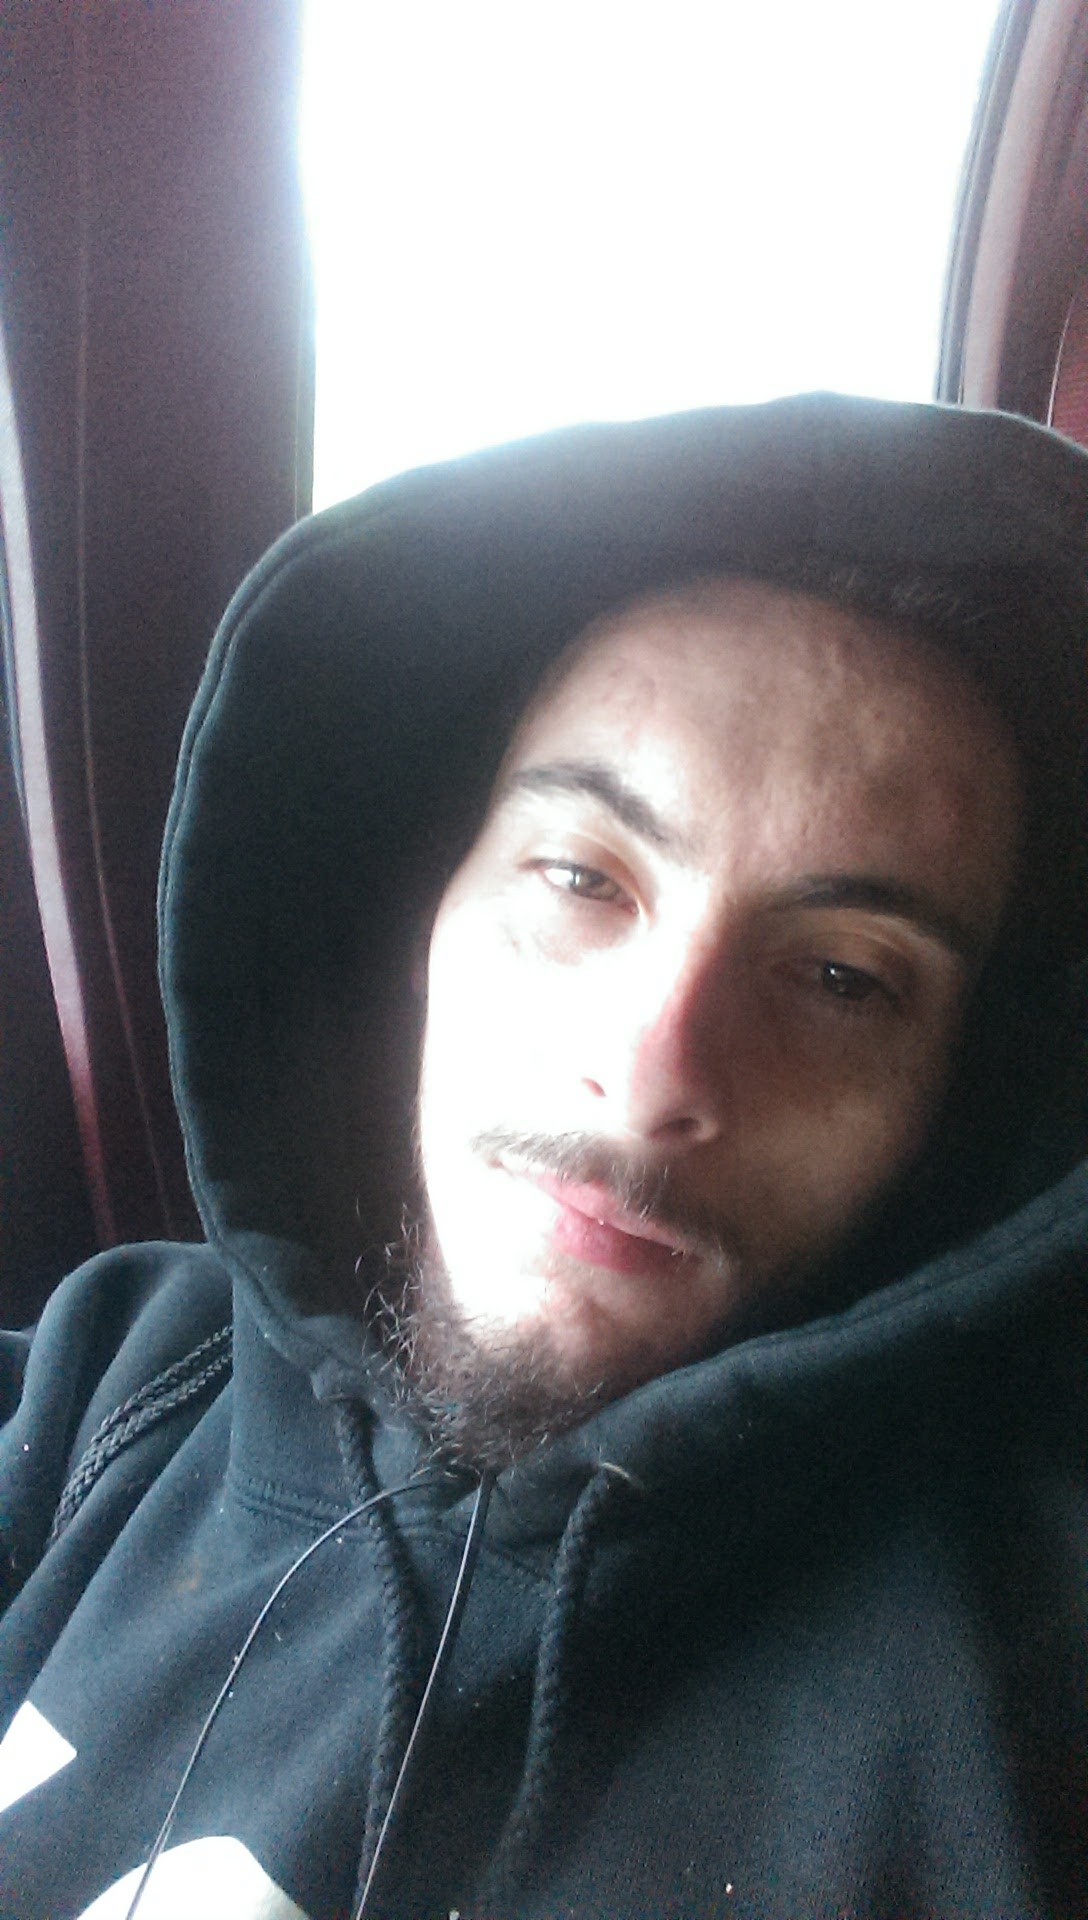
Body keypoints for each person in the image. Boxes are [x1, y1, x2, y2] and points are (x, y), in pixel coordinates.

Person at [0, 393, 1085, 1920]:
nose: (651, 1075)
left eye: (844, 979)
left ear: (961, 1103)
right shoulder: (115, 1382)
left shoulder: (1029, 1687)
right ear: (424, 913)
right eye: (580, 879)